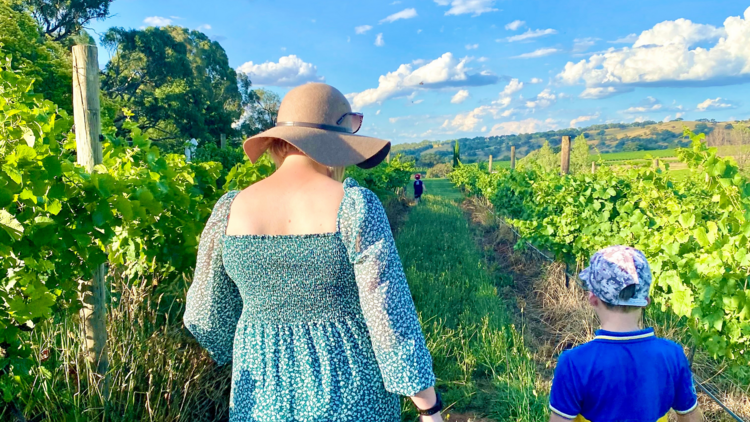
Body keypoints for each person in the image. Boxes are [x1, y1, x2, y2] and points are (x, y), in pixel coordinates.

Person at [183, 83, 443, 422]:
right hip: (350, 394)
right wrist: (429, 406)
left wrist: (256, 337)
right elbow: (389, 319)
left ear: (276, 144)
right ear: (336, 147)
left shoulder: (229, 210)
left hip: (259, 397)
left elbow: (206, 315)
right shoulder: (354, 207)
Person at [549, 246, 700, 422]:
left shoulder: (574, 363)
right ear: (646, 301)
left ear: (592, 298)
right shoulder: (672, 355)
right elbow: (691, 417)